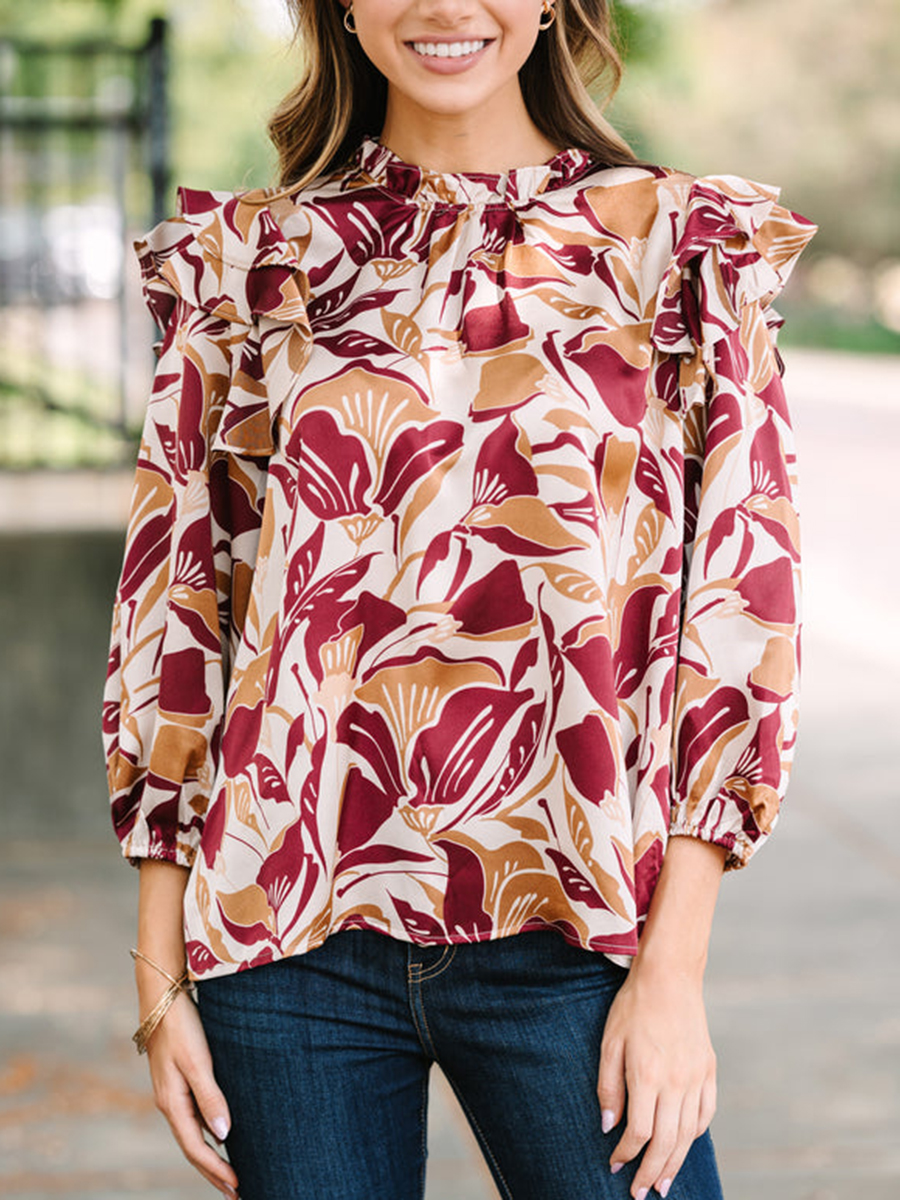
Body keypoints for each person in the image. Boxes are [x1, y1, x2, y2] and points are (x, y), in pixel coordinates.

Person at [102, 1, 816, 1198]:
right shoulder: (253, 267)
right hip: (287, 947)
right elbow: (177, 612)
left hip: (579, 933)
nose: (443, 6)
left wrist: (675, 974)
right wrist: (159, 975)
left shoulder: (678, 249)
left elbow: (742, 614)